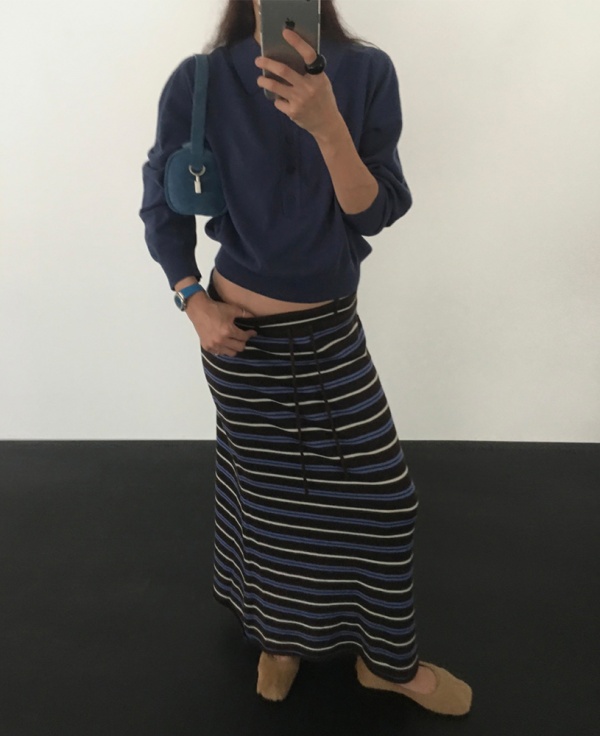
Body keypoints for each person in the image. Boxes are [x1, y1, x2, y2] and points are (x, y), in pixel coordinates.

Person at [140, 0, 472, 716]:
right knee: (269, 506)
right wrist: (193, 302)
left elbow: (375, 210)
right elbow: (161, 209)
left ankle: (385, 662)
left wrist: (327, 125)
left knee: (387, 501)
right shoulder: (200, 80)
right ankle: (279, 639)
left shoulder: (367, 72)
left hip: (330, 334)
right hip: (241, 341)